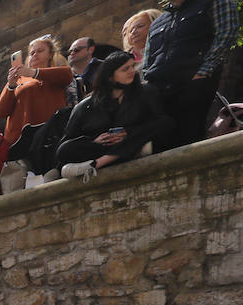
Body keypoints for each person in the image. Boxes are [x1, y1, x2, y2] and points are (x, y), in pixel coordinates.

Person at [141, 0, 238, 150]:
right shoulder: (157, 23)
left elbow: (227, 33)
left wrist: (203, 72)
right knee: (161, 144)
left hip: (193, 83)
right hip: (158, 90)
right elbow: (148, 60)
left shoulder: (212, 2)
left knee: (190, 139)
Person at [58, 52, 172, 180]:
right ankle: (119, 156)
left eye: (132, 67)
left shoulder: (146, 91)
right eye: (125, 69)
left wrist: (128, 133)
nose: (131, 71)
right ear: (110, 76)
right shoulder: (87, 105)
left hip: (134, 140)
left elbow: (162, 121)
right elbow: (66, 143)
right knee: (64, 149)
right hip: (106, 147)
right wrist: (94, 140)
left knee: (160, 126)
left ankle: (98, 163)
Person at [0, 35, 74, 147]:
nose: (35, 54)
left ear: (50, 54)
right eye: (32, 53)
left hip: (49, 133)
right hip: (19, 139)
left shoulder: (55, 73)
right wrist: (11, 87)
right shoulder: (18, 80)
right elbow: (0, 112)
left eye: (40, 51)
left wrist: (33, 73)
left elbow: (67, 75)